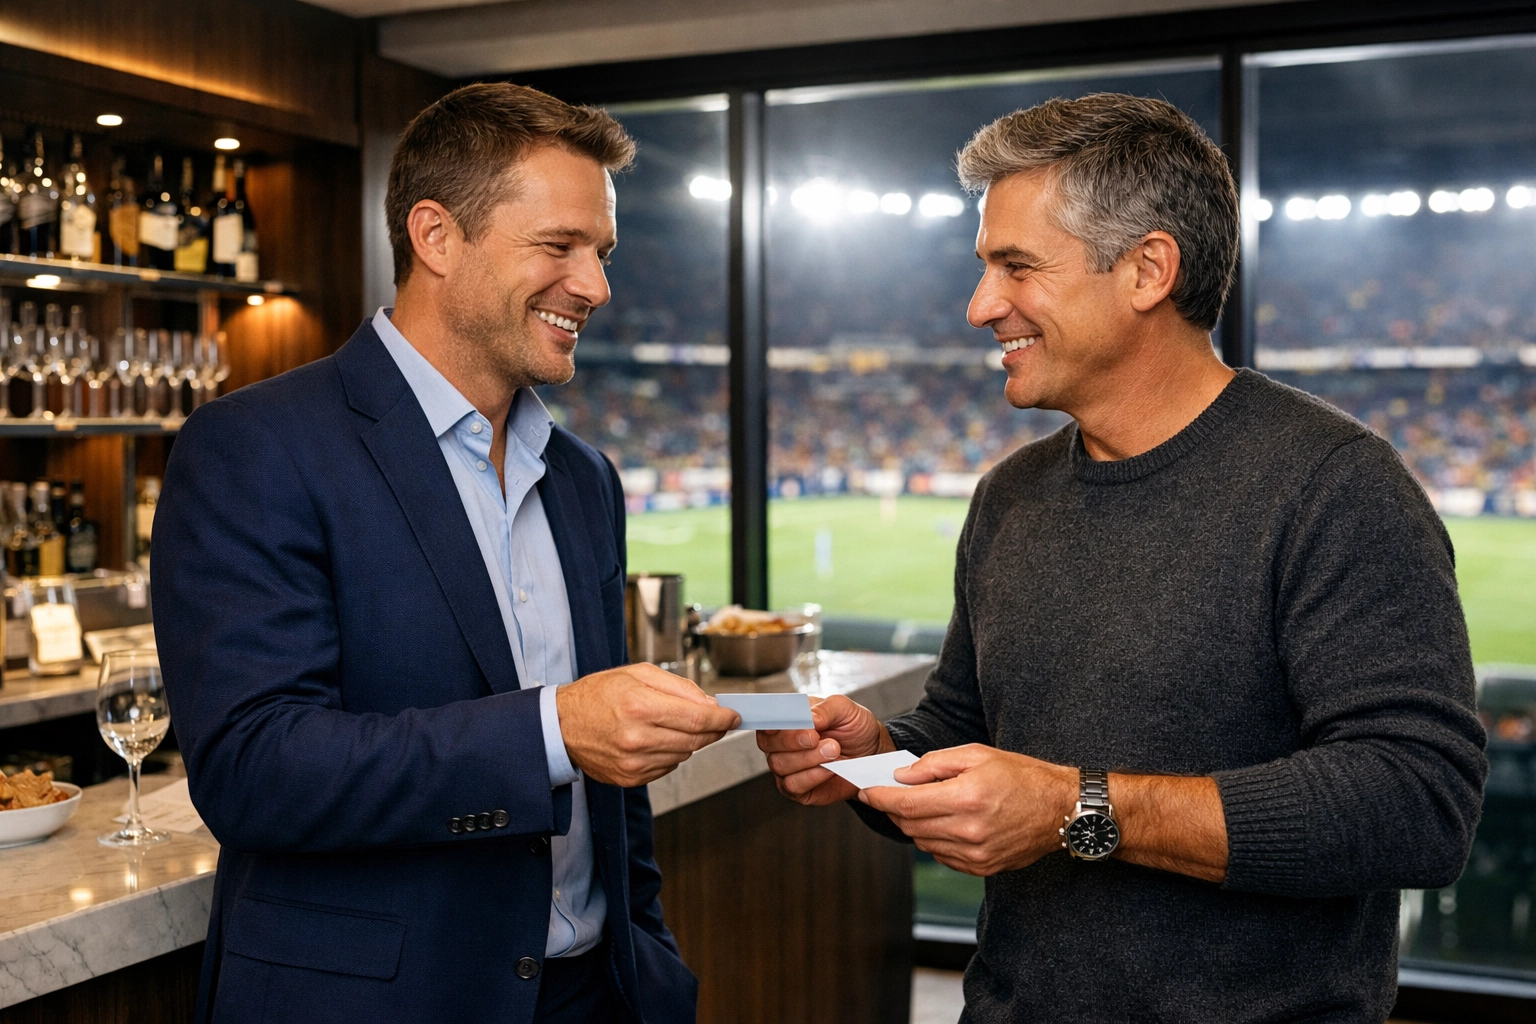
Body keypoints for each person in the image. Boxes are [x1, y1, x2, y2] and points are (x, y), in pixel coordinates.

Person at [759, 93, 1486, 1022]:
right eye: (984, 268)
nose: (980, 307)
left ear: (1147, 270)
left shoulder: (1335, 485)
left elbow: (1418, 801)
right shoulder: (1010, 494)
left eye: (1017, 266)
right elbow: (962, 728)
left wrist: (1080, 807)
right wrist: (879, 759)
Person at [154, 83, 739, 1024]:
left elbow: (614, 808)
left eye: (601, 253)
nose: (595, 287)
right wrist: (554, 730)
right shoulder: (254, 446)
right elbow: (254, 770)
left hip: (595, 995)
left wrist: (645, 958)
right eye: (559, 246)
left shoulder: (584, 477)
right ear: (435, 236)